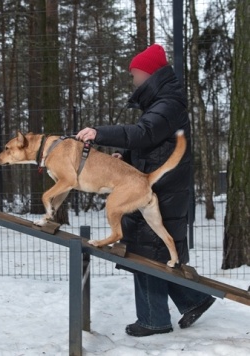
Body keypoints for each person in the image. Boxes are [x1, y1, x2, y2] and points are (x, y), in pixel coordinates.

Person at [76, 44, 215, 337]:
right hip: (156, 183)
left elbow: (145, 134)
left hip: (162, 189)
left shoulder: (167, 104)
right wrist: (125, 160)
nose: (134, 79)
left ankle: (154, 320)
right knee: (153, 250)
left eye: (137, 73)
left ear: (151, 74)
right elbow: (152, 146)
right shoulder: (160, 102)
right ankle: (195, 299)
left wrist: (99, 132)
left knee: (146, 252)